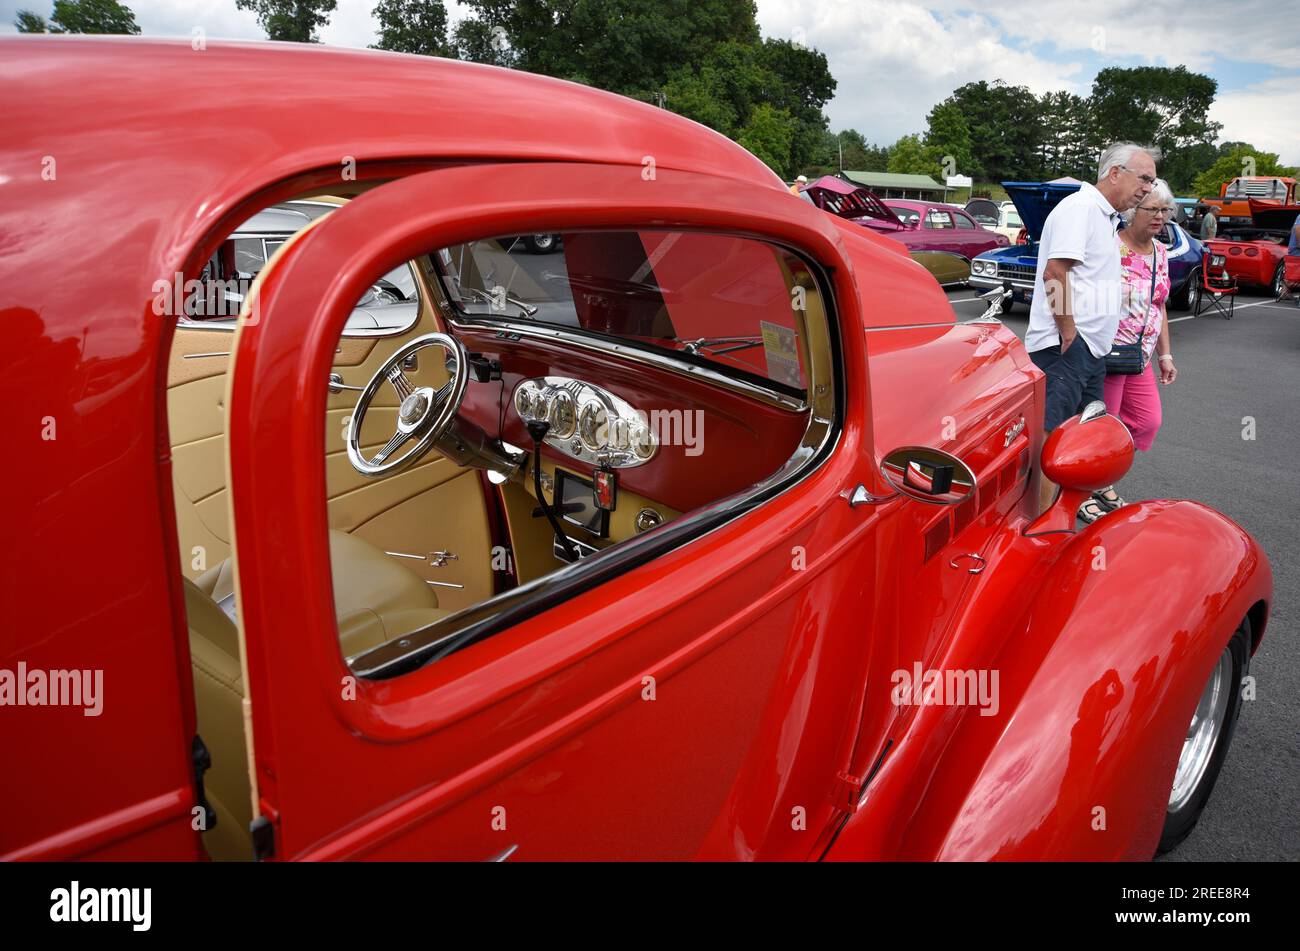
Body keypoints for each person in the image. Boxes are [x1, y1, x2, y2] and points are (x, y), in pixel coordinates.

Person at [1026, 142, 1156, 511]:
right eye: (1144, 178)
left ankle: (1059, 520)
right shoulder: (1081, 209)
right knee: (1052, 443)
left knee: (1080, 441)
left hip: (1089, 350)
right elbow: (1056, 273)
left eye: (1152, 181)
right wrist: (1070, 333)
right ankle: (1036, 532)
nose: (1148, 188)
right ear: (1114, 173)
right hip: (1065, 348)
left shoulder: (1103, 218)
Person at [1079, 180, 1179, 523]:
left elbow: (1159, 305)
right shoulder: (1110, 247)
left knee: (1147, 422)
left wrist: (1165, 354)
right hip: (1106, 355)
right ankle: (1081, 490)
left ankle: (1101, 478)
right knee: (1102, 428)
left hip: (1139, 358)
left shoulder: (1161, 253)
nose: (1160, 217)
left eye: (1165, 210)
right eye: (1152, 209)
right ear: (1131, 212)